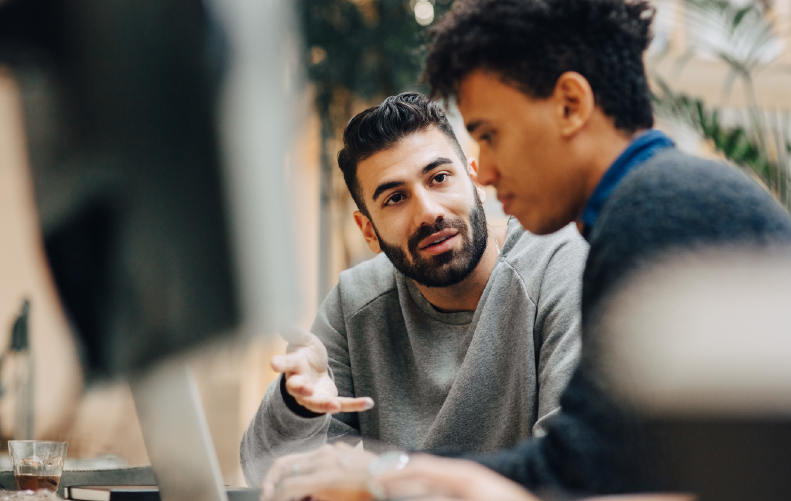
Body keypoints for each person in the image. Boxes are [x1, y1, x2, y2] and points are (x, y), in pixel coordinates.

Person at [259, 0, 791, 499]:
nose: (484, 171)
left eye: (490, 135)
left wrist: (382, 473)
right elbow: (593, 462)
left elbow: (577, 477)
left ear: (570, 105)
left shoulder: (657, 214)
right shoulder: (653, 202)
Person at [239, 92, 587, 486]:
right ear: (368, 230)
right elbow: (262, 473)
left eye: (439, 178)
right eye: (395, 198)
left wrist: (383, 477)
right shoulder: (356, 302)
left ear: (474, 180)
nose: (428, 212)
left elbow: (569, 472)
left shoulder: (559, 268)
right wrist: (297, 407)